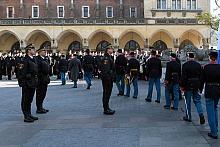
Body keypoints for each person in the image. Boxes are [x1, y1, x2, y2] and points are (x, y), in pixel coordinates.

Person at [180, 52, 205, 124]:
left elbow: (183, 77)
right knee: (197, 100)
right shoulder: (198, 65)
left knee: (187, 101)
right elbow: (201, 77)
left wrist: (182, 86)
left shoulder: (185, 65)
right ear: (194, 57)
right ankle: (201, 114)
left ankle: (189, 117)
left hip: (188, 84)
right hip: (196, 84)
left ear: (188, 57)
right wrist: (200, 87)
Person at [200, 51, 220, 139]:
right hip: (218, 90)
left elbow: (202, 80)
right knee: (215, 109)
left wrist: (200, 90)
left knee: (210, 111)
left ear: (210, 57)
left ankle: (214, 132)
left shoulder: (206, 67)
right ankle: (216, 127)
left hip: (209, 90)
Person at [17, 44, 38, 123]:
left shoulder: (34, 59)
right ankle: (26, 116)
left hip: (32, 82)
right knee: (25, 99)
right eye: (33, 49)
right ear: (28, 51)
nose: (35, 51)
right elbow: (20, 72)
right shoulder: (23, 60)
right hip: (26, 83)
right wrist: (22, 82)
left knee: (30, 99)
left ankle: (29, 114)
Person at [100, 45, 115, 115]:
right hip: (107, 79)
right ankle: (106, 109)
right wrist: (109, 79)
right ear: (108, 50)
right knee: (106, 93)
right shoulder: (106, 58)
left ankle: (107, 107)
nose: (113, 50)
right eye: (112, 49)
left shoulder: (108, 57)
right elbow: (106, 70)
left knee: (107, 93)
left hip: (108, 78)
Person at [36, 48, 50, 114]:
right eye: (43, 51)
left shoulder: (45, 59)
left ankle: (41, 107)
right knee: (39, 94)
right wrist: (41, 75)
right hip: (40, 80)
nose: (45, 52)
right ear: (39, 52)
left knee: (43, 94)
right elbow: (37, 69)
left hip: (45, 79)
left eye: (45, 51)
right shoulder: (37, 59)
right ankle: (39, 108)